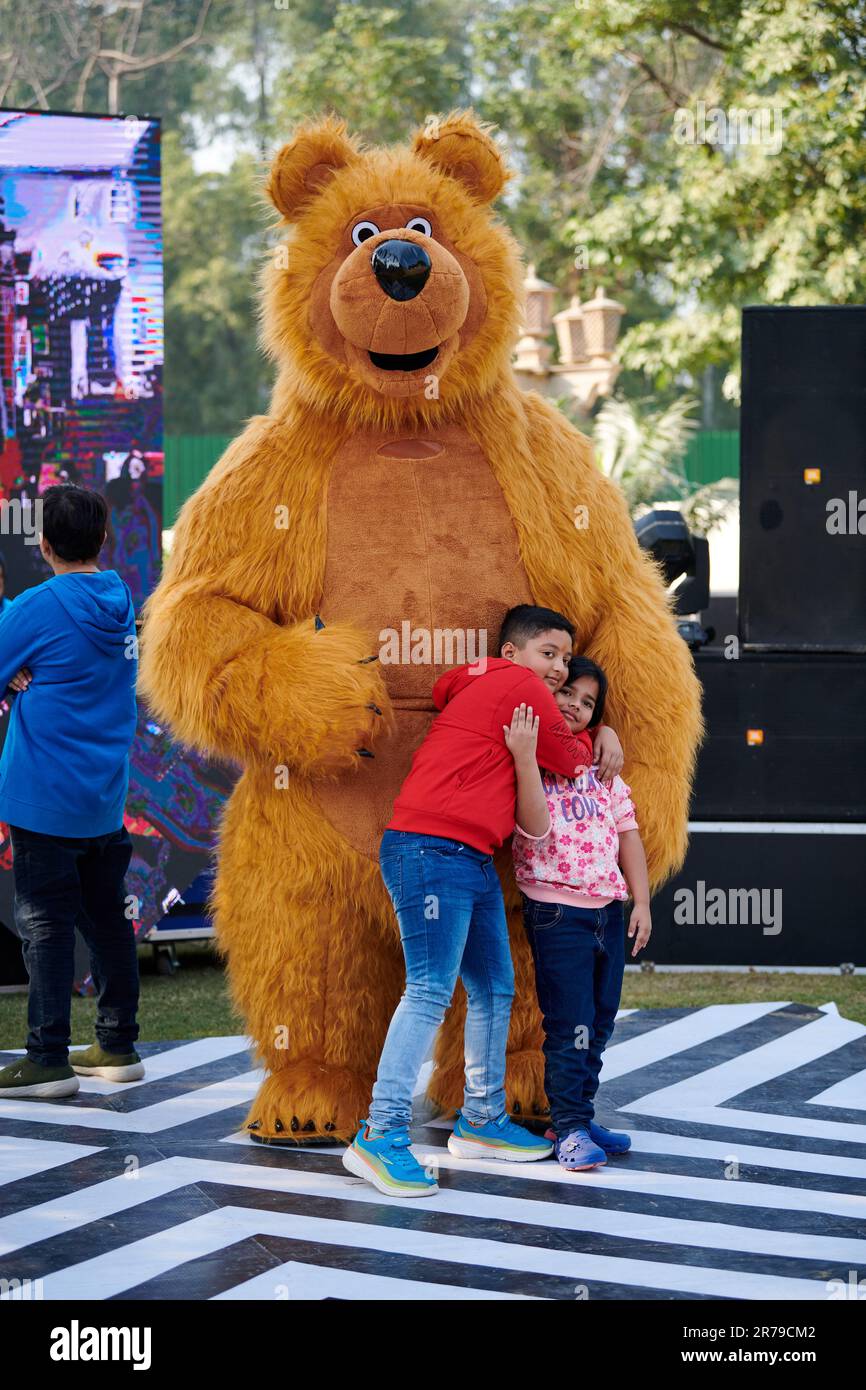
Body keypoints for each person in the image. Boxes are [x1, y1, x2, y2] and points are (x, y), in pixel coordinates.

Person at [342, 605, 625, 1197]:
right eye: (548, 653)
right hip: (430, 850)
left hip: (468, 856)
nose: (557, 670)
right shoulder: (519, 685)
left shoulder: (475, 678)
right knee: (428, 990)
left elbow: (450, 689)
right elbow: (573, 763)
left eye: (565, 658)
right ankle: (380, 1131)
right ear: (513, 653)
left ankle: (481, 1118)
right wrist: (600, 733)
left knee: (495, 987)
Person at [0, 484, 143, 1099]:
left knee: (46, 929)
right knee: (108, 920)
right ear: (103, 539)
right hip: (104, 800)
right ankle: (117, 1044)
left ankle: (47, 1058)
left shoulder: (38, 605)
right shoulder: (120, 596)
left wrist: (16, 672)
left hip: (44, 798)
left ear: (44, 544)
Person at [509, 654, 651, 1172]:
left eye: (588, 702)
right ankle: (567, 1128)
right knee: (569, 1025)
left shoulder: (603, 769)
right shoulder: (533, 758)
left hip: (607, 913)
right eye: (566, 692)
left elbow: (628, 834)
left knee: (601, 1020)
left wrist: (642, 902)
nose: (574, 704)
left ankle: (581, 1115)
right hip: (556, 912)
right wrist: (527, 758)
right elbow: (535, 829)